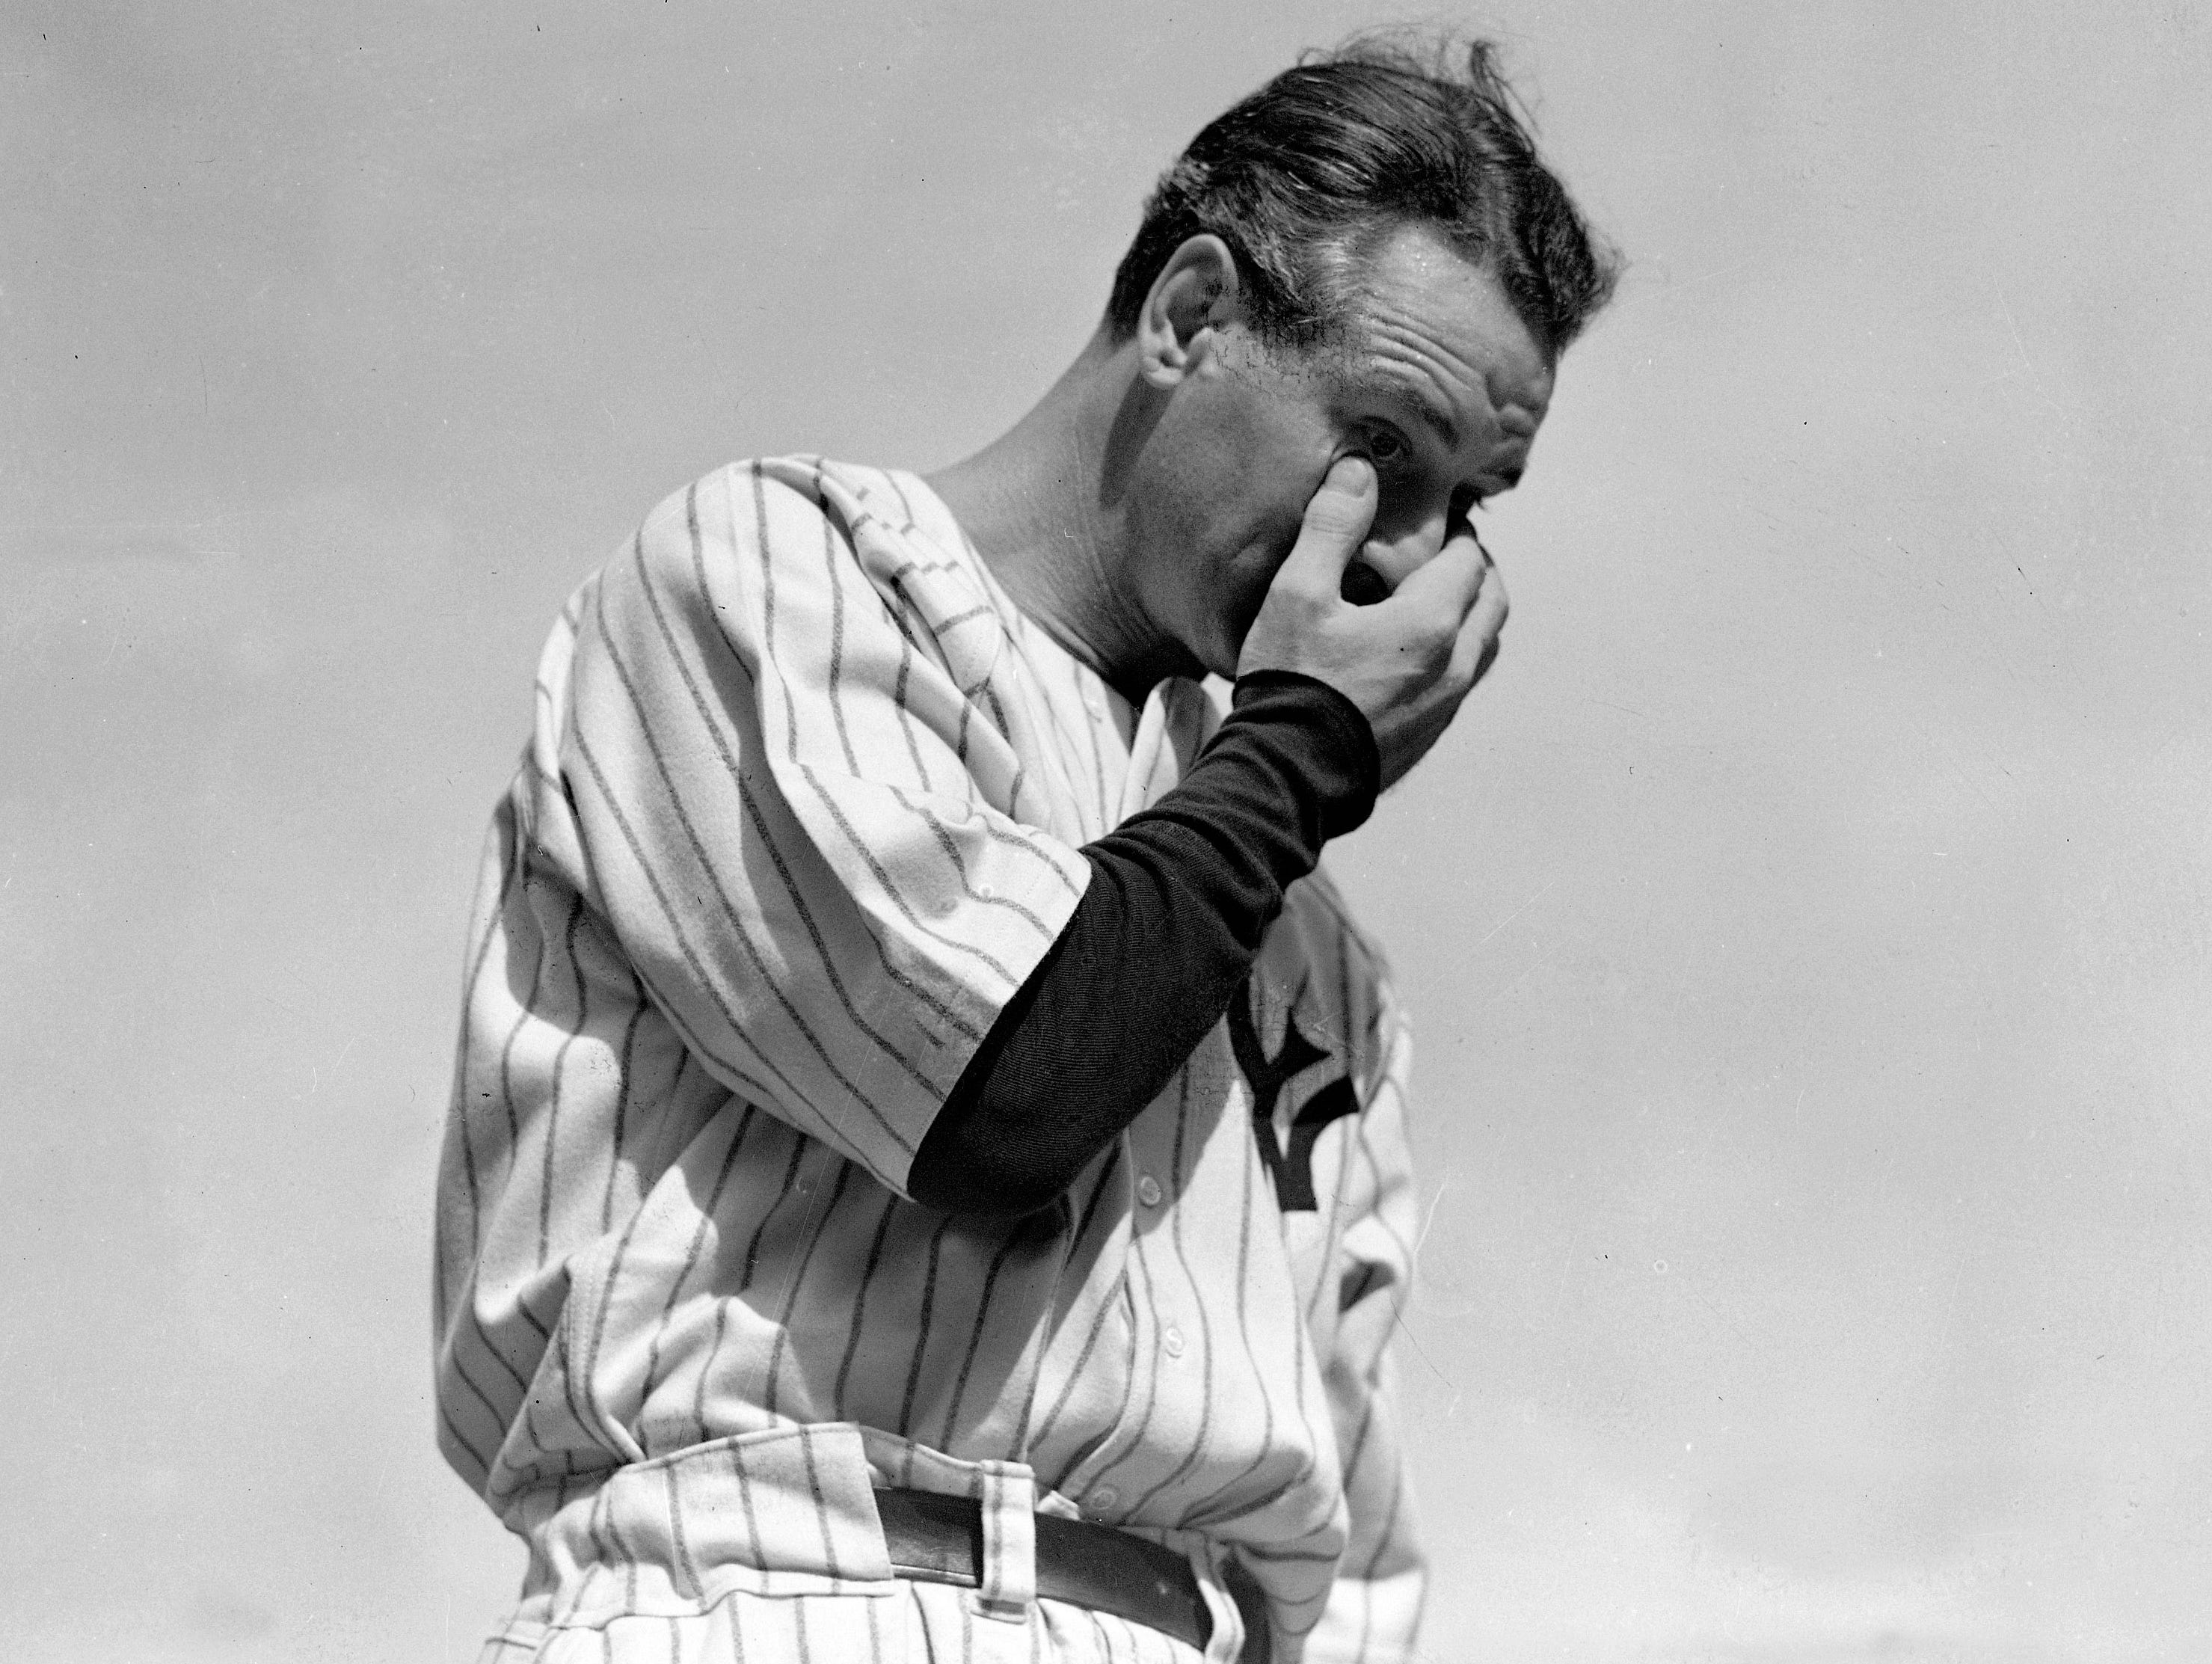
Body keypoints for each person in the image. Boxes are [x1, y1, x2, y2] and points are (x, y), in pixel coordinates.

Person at [434, 35, 1614, 1664]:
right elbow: (999, 1102)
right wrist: (1300, 756)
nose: (1409, 558)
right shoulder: (784, 575)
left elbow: (1349, 1539)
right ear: (1191, 315)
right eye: (1384, 447)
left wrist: (1281, 779)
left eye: (1470, 500)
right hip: (776, 1588)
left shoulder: (1311, 945)